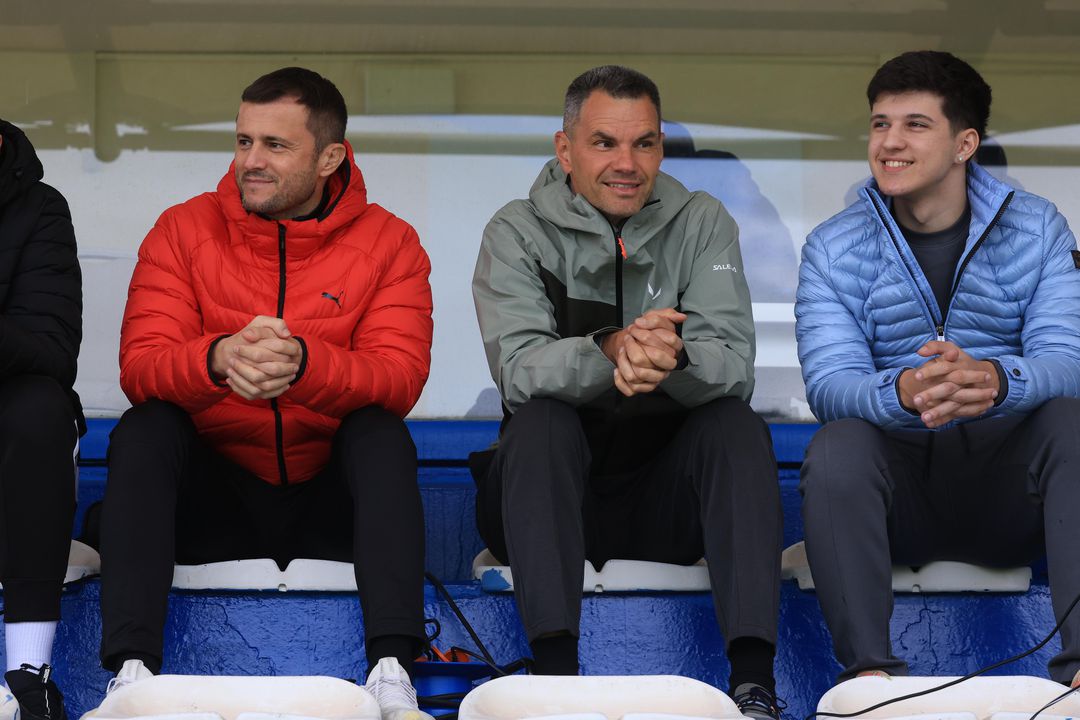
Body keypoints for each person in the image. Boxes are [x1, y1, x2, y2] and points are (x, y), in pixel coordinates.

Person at [98, 67, 435, 720]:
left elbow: (399, 377)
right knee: (146, 427)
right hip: (214, 503)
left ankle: (393, 674)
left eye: (275, 145)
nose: (251, 160)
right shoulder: (182, 229)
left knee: (380, 432)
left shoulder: (391, 242)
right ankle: (132, 676)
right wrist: (217, 358)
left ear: (330, 158)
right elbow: (141, 367)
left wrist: (305, 364)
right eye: (243, 140)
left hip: (330, 507)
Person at [471, 65, 784, 719]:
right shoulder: (517, 229)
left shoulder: (701, 221)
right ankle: (554, 683)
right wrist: (610, 350)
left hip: (664, 505)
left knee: (735, 425)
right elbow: (519, 371)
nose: (627, 163)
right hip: (546, 500)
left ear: (661, 147)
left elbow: (734, 366)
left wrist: (673, 358)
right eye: (604, 143)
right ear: (565, 150)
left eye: (644, 143)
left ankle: (754, 686)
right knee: (540, 421)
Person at [796, 50, 1080, 685]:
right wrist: (902, 390)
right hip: (901, 505)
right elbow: (829, 386)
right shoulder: (832, 246)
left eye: (915, 125)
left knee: (1072, 422)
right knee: (837, 445)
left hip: (1012, 501)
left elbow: (1068, 362)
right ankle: (869, 682)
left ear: (964, 144)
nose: (890, 142)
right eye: (880, 124)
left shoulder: (1038, 229)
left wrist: (998, 381)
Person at [0, 119, 84, 720]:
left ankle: (29, 674)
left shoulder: (39, 207)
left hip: (10, 422)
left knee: (40, 409)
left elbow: (53, 354)